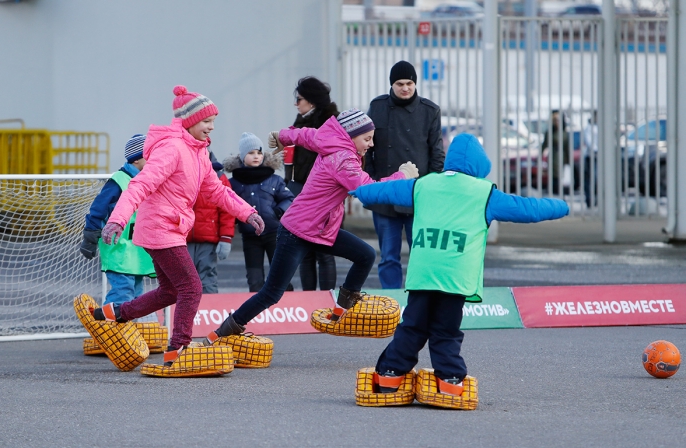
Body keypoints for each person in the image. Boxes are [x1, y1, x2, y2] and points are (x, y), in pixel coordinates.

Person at [351, 133, 569, 398]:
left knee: (412, 325)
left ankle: (390, 376)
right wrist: (562, 206)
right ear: (479, 165)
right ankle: (450, 380)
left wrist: (359, 190)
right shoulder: (485, 192)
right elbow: (529, 209)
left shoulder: (423, 185)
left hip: (424, 273)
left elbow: (381, 192)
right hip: (455, 277)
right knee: (446, 329)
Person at [202, 108, 419, 342]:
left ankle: (340, 312)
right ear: (351, 135)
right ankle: (220, 333)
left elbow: (305, 135)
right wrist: (402, 176)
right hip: (297, 231)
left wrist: (282, 136)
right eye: (367, 139)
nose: (371, 144)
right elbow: (366, 190)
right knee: (271, 293)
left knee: (365, 254)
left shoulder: (330, 141)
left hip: (320, 229)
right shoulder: (342, 159)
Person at [94, 85, 264, 367]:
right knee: (191, 287)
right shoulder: (172, 148)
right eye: (207, 121)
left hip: (171, 228)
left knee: (170, 291)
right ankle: (178, 349)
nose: (211, 127)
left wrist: (247, 212)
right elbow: (140, 184)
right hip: (161, 228)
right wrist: (117, 219)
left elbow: (216, 191)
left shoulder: (198, 152)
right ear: (190, 120)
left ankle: (116, 312)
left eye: (213, 122)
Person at [365, 60, 445, 289]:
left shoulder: (430, 111)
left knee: (420, 255)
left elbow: (437, 154)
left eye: (409, 83)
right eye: (399, 83)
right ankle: (392, 301)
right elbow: (366, 148)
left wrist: (432, 188)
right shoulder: (378, 107)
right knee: (388, 255)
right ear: (392, 85)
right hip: (385, 195)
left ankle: (419, 299)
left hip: (418, 195)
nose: (405, 88)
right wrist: (371, 183)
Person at [80, 134, 157, 322]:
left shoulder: (150, 181)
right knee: (123, 293)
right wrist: (90, 237)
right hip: (119, 250)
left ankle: (128, 336)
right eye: (151, 155)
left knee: (137, 296)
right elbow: (98, 209)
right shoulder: (118, 181)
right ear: (137, 159)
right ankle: (107, 331)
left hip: (137, 252)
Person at [286, 76, 340, 292]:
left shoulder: (332, 123)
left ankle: (327, 301)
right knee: (305, 252)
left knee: (324, 251)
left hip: (325, 197)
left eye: (299, 99)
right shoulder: (301, 121)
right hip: (302, 194)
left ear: (312, 101)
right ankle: (309, 302)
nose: (296, 104)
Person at [224, 132, 295, 292]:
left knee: (281, 275)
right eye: (251, 153)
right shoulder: (234, 183)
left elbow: (289, 199)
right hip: (250, 237)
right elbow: (228, 203)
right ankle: (257, 311)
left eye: (259, 152)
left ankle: (286, 309)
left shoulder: (274, 179)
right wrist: (236, 219)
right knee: (254, 279)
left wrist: (278, 212)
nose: (256, 156)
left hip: (274, 233)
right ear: (242, 157)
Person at [186, 150, 235, 293]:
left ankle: (208, 311)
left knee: (207, 277)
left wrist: (225, 237)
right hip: (182, 238)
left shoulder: (218, 176)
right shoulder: (180, 172)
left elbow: (227, 208)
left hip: (208, 239)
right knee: (183, 280)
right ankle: (181, 314)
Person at [542, 109, 571, 197]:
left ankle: (561, 198)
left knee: (561, 179)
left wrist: (568, 162)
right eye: (555, 120)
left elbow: (567, 148)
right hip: (553, 157)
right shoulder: (550, 132)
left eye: (558, 120)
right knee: (553, 179)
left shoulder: (565, 133)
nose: (556, 122)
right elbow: (544, 146)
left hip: (562, 158)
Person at [582, 110, 599, 207]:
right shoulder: (588, 127)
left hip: (599, 156)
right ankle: (589, 200)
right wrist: (596, 149)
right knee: (591, 179)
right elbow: (588, 141)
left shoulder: (601, 126)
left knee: (597, 179)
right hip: (591, 157)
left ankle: (596, 199)